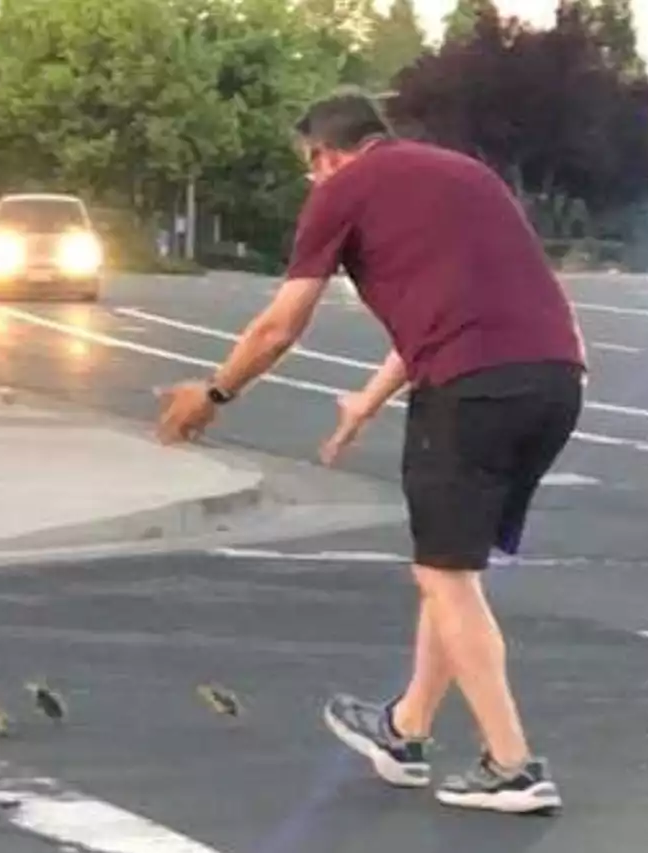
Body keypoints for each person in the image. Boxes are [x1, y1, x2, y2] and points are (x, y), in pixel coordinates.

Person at [154, 87, 586, 815]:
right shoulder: (463, 174)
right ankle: (406, 727)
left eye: (309, 166)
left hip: (471, 390)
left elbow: (280, 325)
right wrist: (367, 399)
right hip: (554, 381)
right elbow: (462, 306)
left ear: (325, 152)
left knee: (445, 575)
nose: (312, 179)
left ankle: (511, 764)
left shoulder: (343, 189)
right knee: (453, 566)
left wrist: (215, 393)